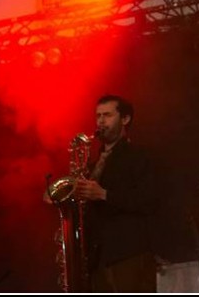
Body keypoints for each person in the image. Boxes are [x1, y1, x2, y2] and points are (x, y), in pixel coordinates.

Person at [47, 94, 159, 292]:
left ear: (125, 119)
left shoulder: (139, 156)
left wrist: (104, 194)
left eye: (107, 115)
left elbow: (148, 200)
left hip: (128, 254)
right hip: (96, 259)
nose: (100, 121)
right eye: (98, 116)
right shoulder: (91, 165)